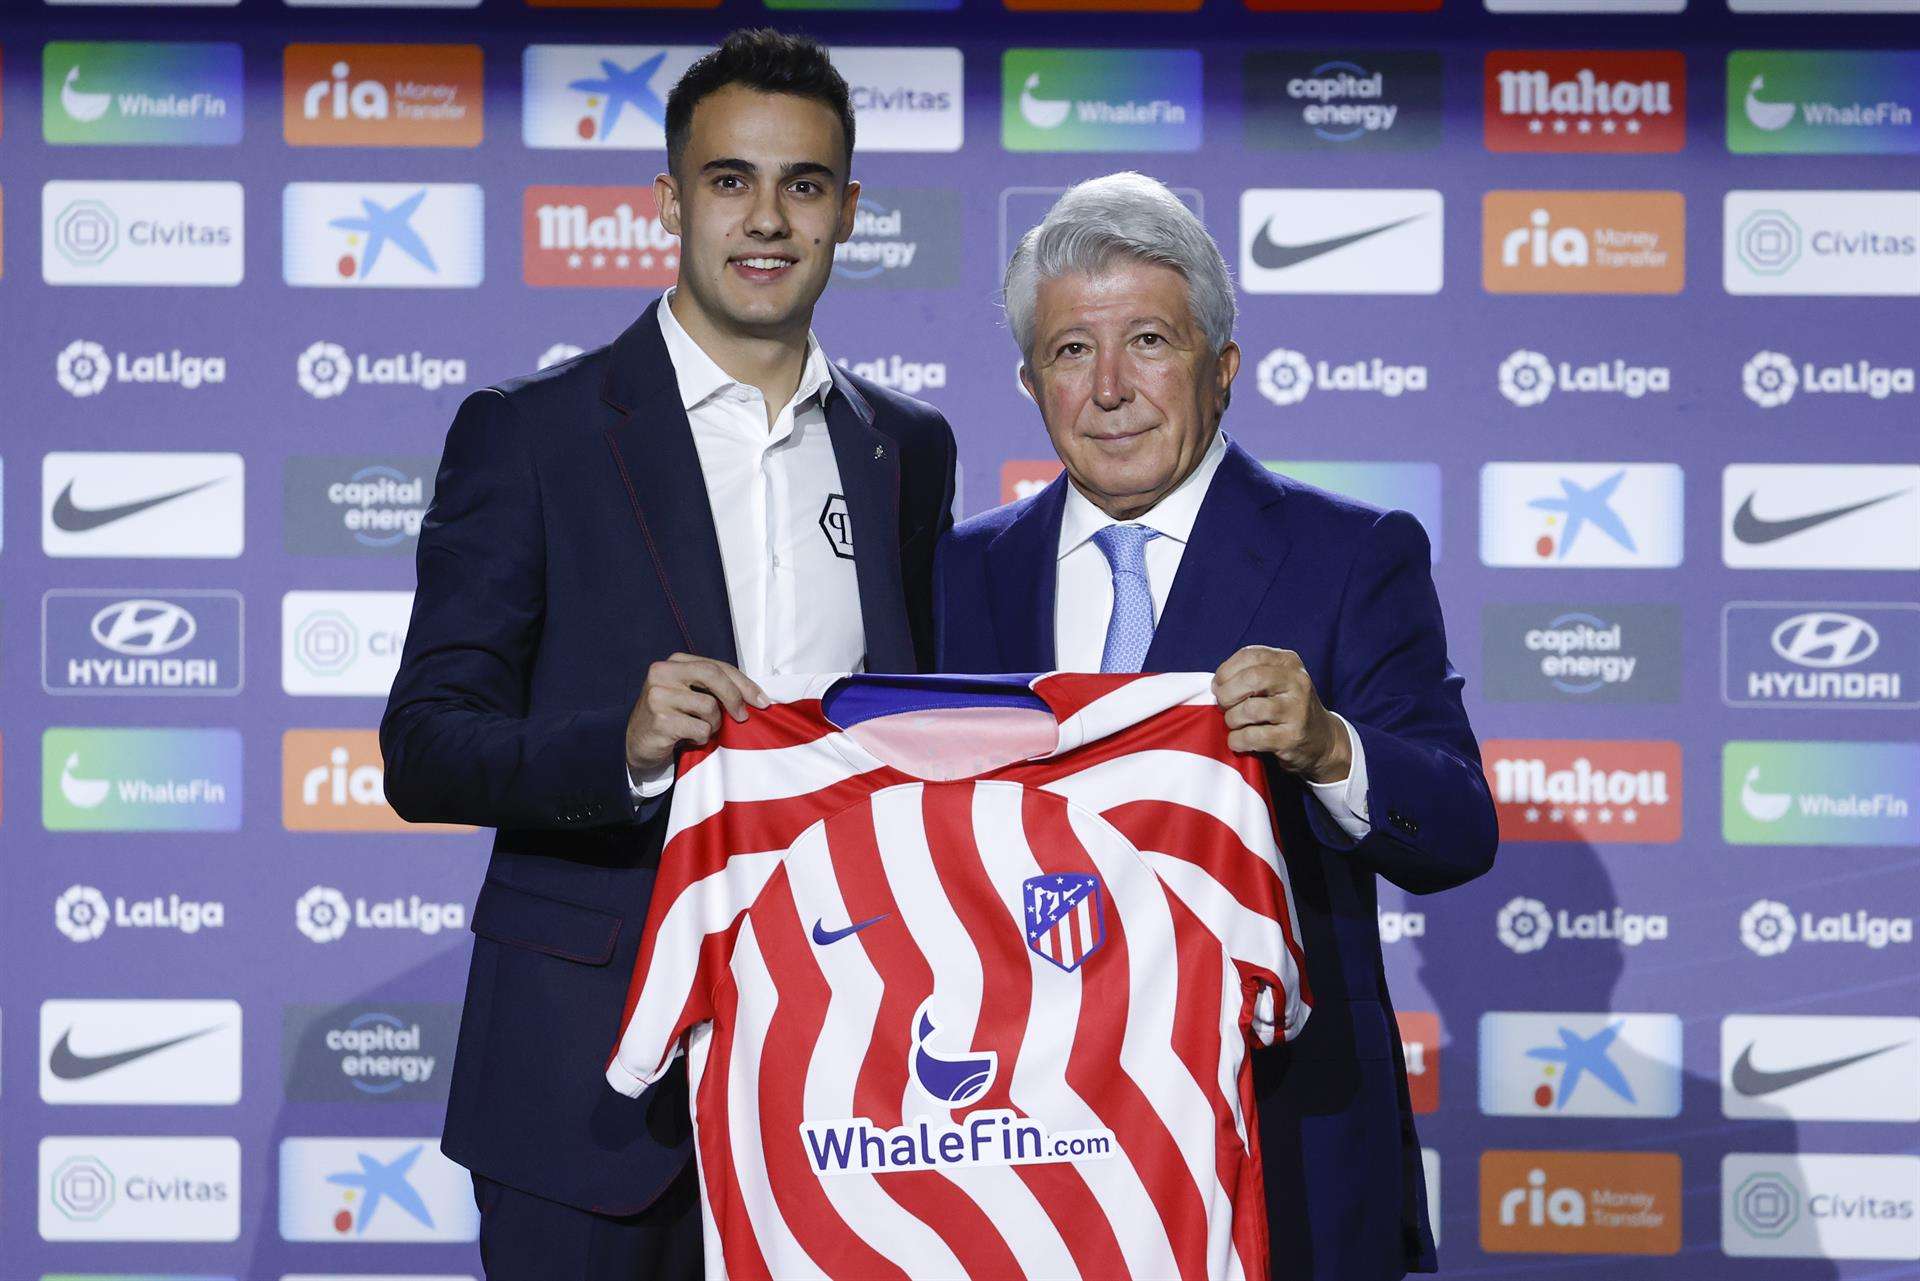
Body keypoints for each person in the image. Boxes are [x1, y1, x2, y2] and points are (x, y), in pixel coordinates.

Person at [380, 30, 956, 1280]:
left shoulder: (907, 450)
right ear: (669, 201)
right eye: (729, 179)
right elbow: (425, 748)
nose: (767, 218)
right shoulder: (528, 435)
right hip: (587, 1083)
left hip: (847, 1064)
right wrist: (626, 749)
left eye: (803, 185)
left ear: (848, 211)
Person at [934, 172, 1497, 1280]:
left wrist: (1332, 747)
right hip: (1017, 1148)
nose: (1109, 389)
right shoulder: (958, 572)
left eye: (1148, 340)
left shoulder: (1349, 555)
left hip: (1279, 1143)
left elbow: (1458, 827)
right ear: (1029, 380)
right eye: (1069, 352)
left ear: (1222, 368)